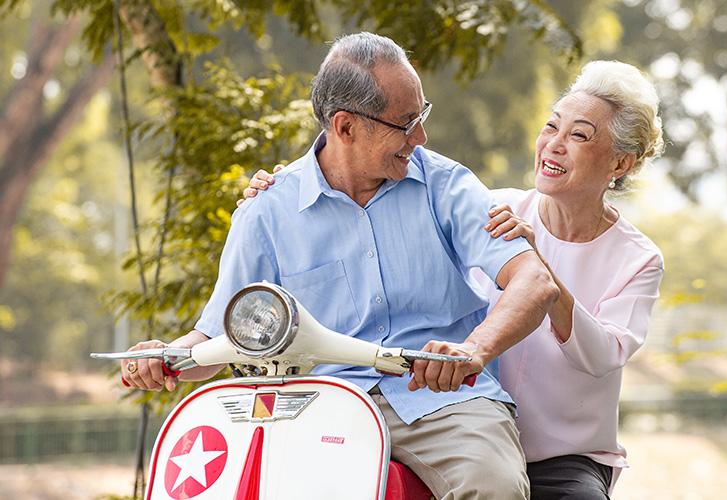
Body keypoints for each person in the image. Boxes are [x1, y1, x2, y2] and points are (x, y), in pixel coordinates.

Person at [122, 32, 561, 499]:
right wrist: (166, 357)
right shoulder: (267, 211)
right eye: (405, 122)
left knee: (495, 485)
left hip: (442, 402)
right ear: (346, 126)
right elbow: (218, 338)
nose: (421, 136)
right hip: (315, 408)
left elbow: (534, 282)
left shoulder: (446, 185)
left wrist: (473, 351)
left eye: (421, 115)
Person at [244, 60, 665, 499]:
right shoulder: (499, 208)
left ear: (620, 161)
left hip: (556, 455)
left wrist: (540, 271)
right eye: (551, 127)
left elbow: (603, 355)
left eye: (578, 135)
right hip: (458, 414)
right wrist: (280, 191)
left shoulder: (637, 258)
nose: (554, 145)